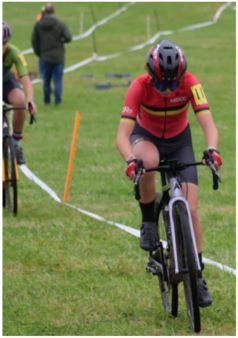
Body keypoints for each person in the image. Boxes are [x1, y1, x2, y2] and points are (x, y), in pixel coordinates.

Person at [116, 40, 222, 308]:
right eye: (162, 85)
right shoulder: (138, 86)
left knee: (192, 208)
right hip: (147, 137)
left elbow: (208, 123)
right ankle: (148, 222)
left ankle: (196, 275)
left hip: (179, 142)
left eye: (173, 85)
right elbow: (122, 135)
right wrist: (131, 160)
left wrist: (211, 149)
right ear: (152, 76)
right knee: (148, 161)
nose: (167, 91)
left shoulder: (191, 84)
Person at [2, 21, 37, 165]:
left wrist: (30, 100)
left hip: (5, 81)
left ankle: (16, 144)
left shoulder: (14, 52)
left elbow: (25, 79)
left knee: (20, 100)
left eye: (3, 44)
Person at [31, 3, 72, 105]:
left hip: (45, 57)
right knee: (57, 79)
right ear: (53, 12)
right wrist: (61, 40)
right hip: (58, 57)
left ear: (44, 12)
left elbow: (34, 40)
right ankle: (58, 101)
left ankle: (46, 100)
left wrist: (39, 52)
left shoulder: (39, 25)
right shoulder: (60, 24)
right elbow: (69, 37)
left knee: (46, 80)